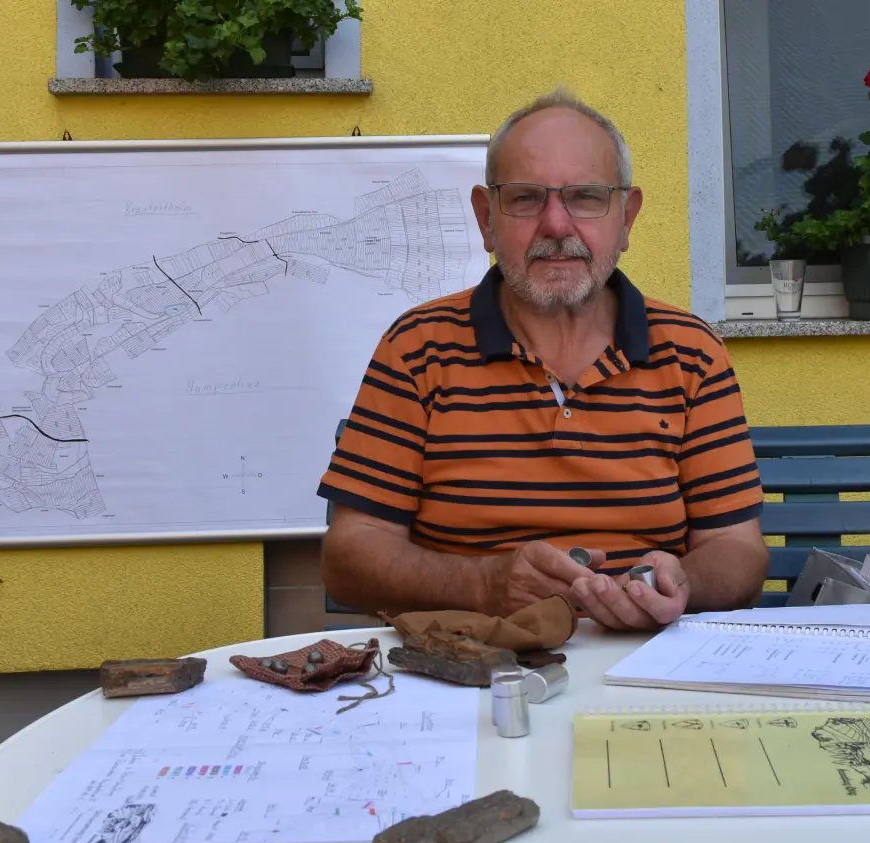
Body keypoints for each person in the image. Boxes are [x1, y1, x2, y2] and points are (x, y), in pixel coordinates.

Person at [316, 88, 768, 631]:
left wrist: (684, 584)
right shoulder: (418, 347)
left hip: (641, 663)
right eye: (526, 198)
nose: (556, 225)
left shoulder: (691, 352)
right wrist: (485, 585)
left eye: (586, 197)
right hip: (466, 664)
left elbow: (736, 549)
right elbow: (348, 560)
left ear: (627, 217)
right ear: (486, 218)